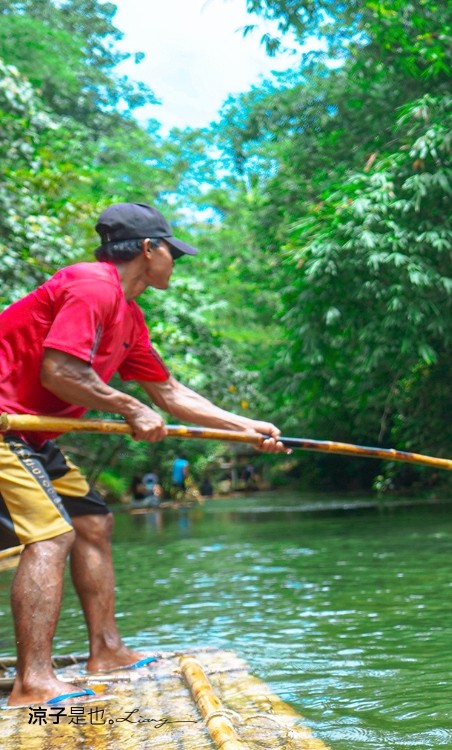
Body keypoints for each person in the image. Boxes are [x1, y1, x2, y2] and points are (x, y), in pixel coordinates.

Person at [0, 202, 287, 707]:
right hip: (5, 425)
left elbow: (171, 395)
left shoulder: (128, 317)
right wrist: (127, 405)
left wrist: (245, 428)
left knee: (93, 522)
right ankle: (33, 682)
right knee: (51, 536)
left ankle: (106, 650)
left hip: (36, 437)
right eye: (173, 252)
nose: (176, 261)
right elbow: (59, 371)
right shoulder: (91, 285)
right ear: (149, 249)